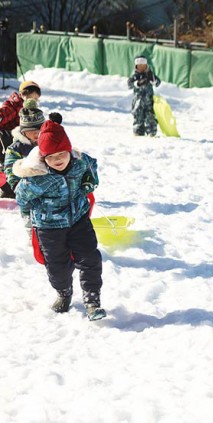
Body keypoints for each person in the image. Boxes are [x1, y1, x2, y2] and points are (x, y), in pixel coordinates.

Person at [13, 118, 105, 321]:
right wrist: (34, 217)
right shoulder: (37, 177)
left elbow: (93, 166)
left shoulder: (80, 163)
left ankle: (92, 299)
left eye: (62, 153)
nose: (57, 160)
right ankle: (64, 293)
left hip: (79, 219)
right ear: (43, 157)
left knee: (90, 258)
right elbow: (21, 197)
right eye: (51, 156)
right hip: (49, 226)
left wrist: (91, 181)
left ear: (69, 150)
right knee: (57, 266)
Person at [0, 81, 42, 197]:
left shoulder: (29, 108)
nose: (31, 100)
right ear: (21, 94)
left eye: (35, 99)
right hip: (6, 137)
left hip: (22, 137)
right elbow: (3, 114)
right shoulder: (13, 105)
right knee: (8, 162)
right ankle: (7, 188)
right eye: (29, 97)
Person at [127, 55, 161, 137]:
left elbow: (157, 83)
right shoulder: (135, 76)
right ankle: (138, 132)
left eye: (143, 66)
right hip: (138, 101)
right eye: (139, 66)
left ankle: (151, 132)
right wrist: (138, 83)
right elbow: (129, 84)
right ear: (136, 66)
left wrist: (153, 80)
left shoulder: (149, 74)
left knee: (150, 116)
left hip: (149, 100)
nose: (141, 68)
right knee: (138, 116)